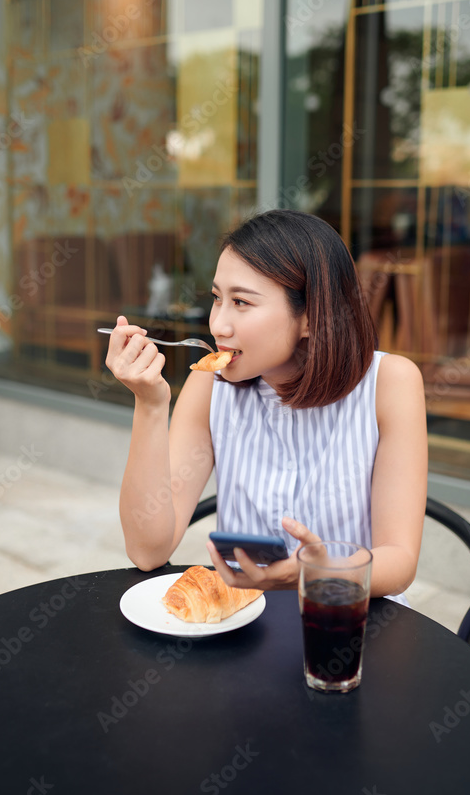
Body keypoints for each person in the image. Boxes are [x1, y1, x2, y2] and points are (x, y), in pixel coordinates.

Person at [105, 209, 427, 599]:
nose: (218, 325)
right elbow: (147, 550)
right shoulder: (209, 385)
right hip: (247, 623)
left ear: (309, 316)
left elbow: (399, 562)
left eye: (241, 302)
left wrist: (314, 572)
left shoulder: (390, 384)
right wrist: (150, 405)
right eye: (217, 299)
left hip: (351, 621)